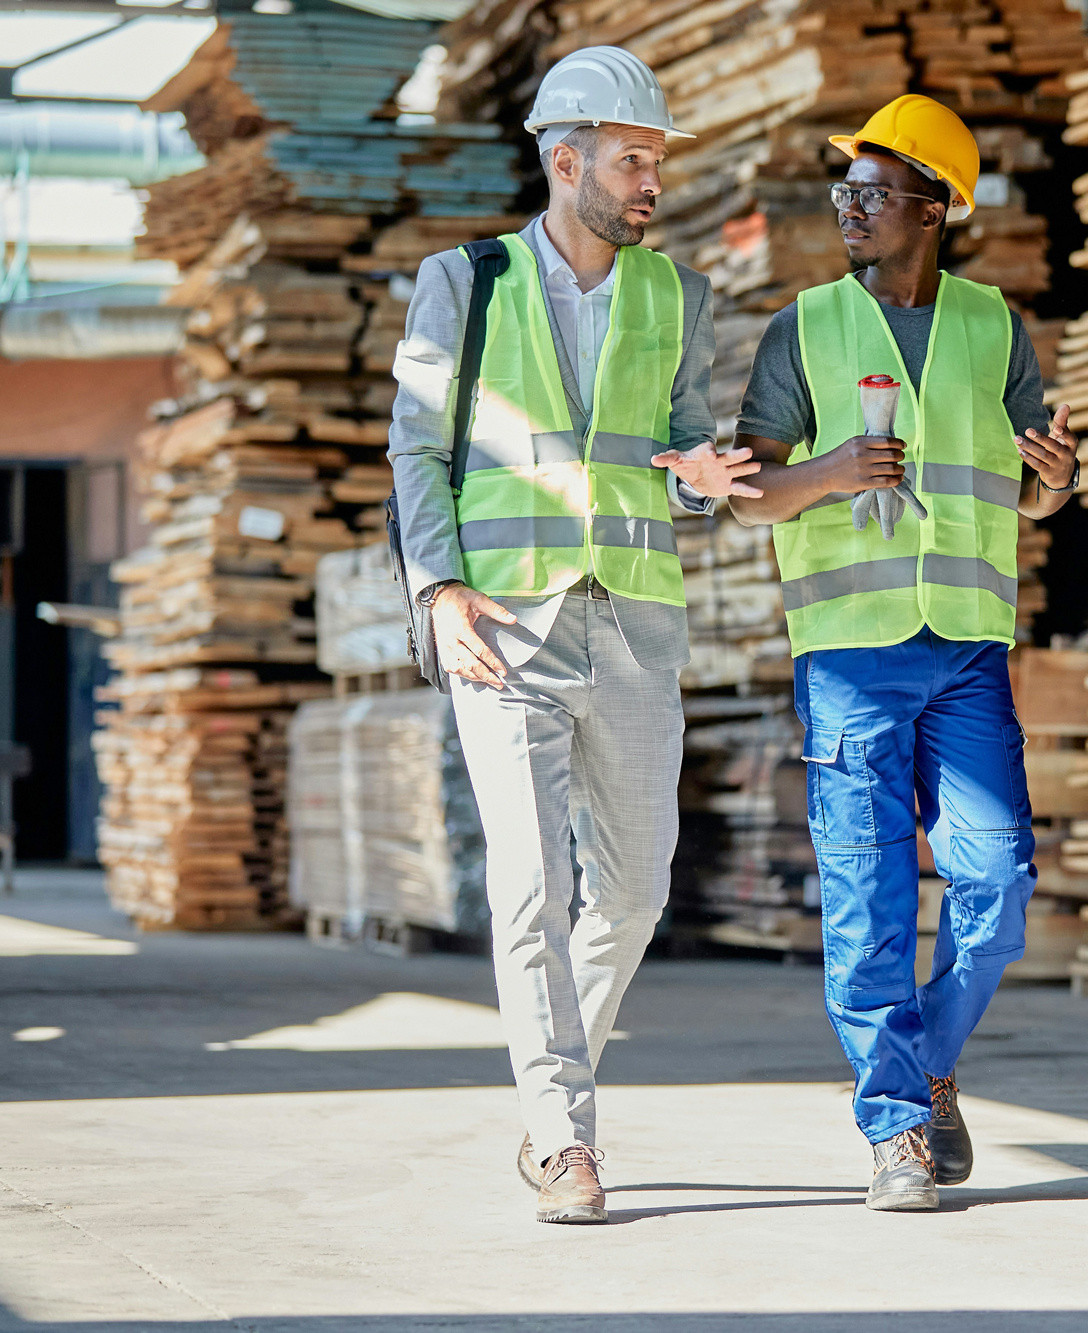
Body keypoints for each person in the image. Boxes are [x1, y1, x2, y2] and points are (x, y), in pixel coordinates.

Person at [386, 46, 761, 1225]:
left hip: (635, 626)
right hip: (504, 625)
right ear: (567, 159)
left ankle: (554, 1097)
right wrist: (437, 591)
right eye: (634, 158)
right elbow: (416, 449)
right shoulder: (467, 282)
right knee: (530, 883)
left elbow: (682, 452)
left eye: (654, 159)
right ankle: (562, 1136)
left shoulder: (676, 294)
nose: (652, 179)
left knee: (637, 891)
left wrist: (700, 481)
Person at [728, 94, 1081, 1211]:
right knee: (868, 897)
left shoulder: (992, 329)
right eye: (846, 193)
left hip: (967, 648)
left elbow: (1027, 483)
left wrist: (1056, 486)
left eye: (874, 195)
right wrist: (826, 473)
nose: (851, 211)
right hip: (848, 656)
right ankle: (893, 1130)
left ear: (937, 210)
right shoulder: (804, 327)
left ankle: (925, 1065)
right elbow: (744, 494)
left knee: (997, 880)